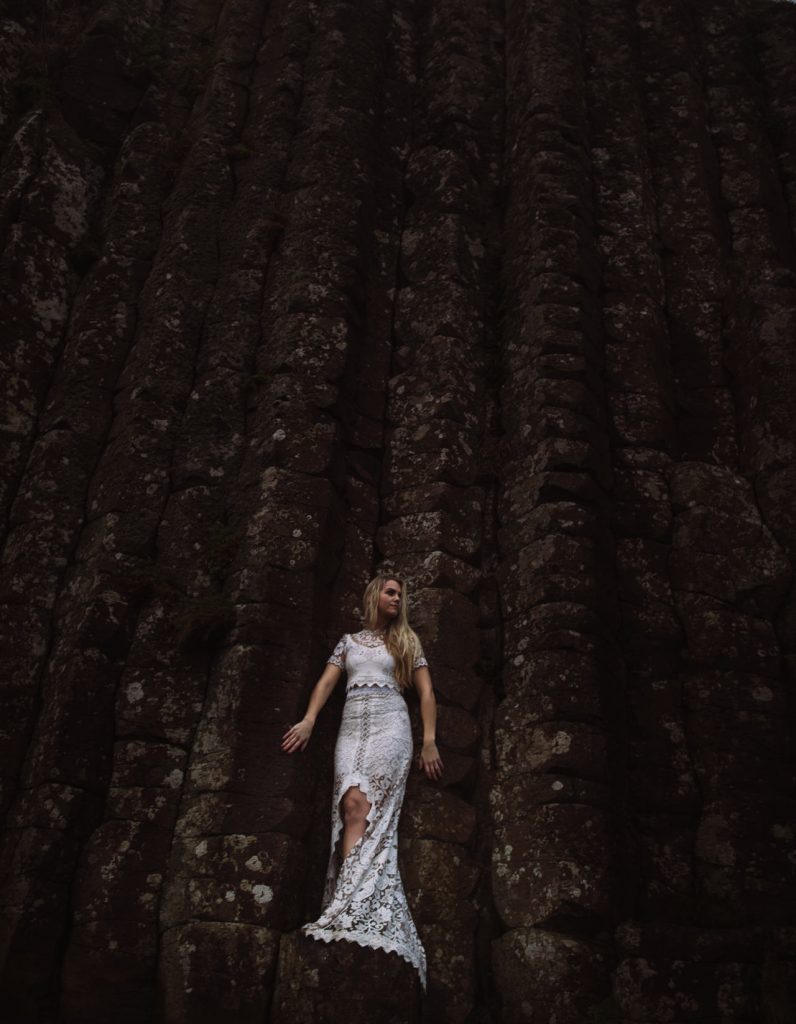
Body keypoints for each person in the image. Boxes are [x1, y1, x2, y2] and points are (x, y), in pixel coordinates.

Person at [280, 574, 443, 990]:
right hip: (350, 728)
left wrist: (428, 742)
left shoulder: (406, 641)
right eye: (390, 592)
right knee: (349, 807)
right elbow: (327, 682)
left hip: (391, 726)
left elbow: (425, 694)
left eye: (400, 595)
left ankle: (350, 905)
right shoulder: (349, 641)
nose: (396, 599)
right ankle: (348, 902)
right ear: (374, 596)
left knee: (366, 811)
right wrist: (309, 720)